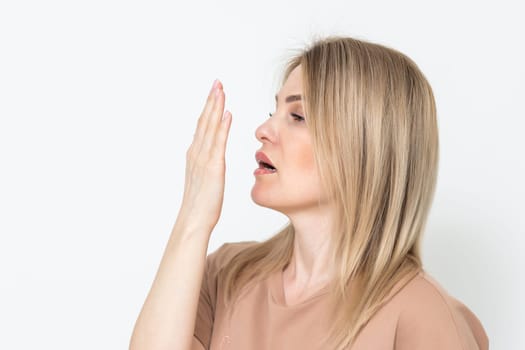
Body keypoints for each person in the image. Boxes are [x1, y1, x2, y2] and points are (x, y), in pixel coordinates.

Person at [129, 35, 489, 350]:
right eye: (274, 111)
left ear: (363, 147)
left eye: (298, 116)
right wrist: (194, 217)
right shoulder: (228, 274)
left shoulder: (421, 313)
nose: (263, 130)